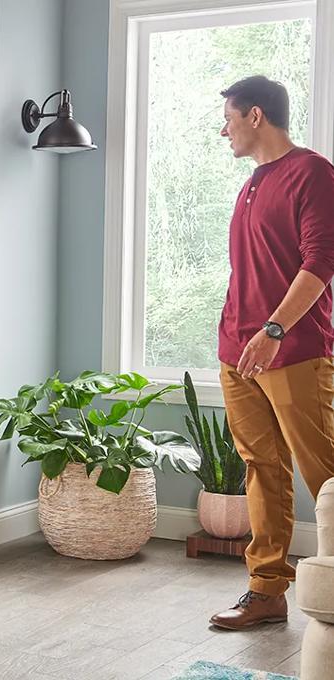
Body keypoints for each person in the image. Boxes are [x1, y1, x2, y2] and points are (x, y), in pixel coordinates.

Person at [209, 76, 334, 631]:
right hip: (239, 352)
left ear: (256, 116)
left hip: (293, 350)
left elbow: (320, 262)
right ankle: (265, 591)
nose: (224, 130)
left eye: (230, 119)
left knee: (323, 470)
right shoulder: (252, 184)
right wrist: (237, 333)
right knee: (262, 469)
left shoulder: (312, 172)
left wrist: (274, 330)